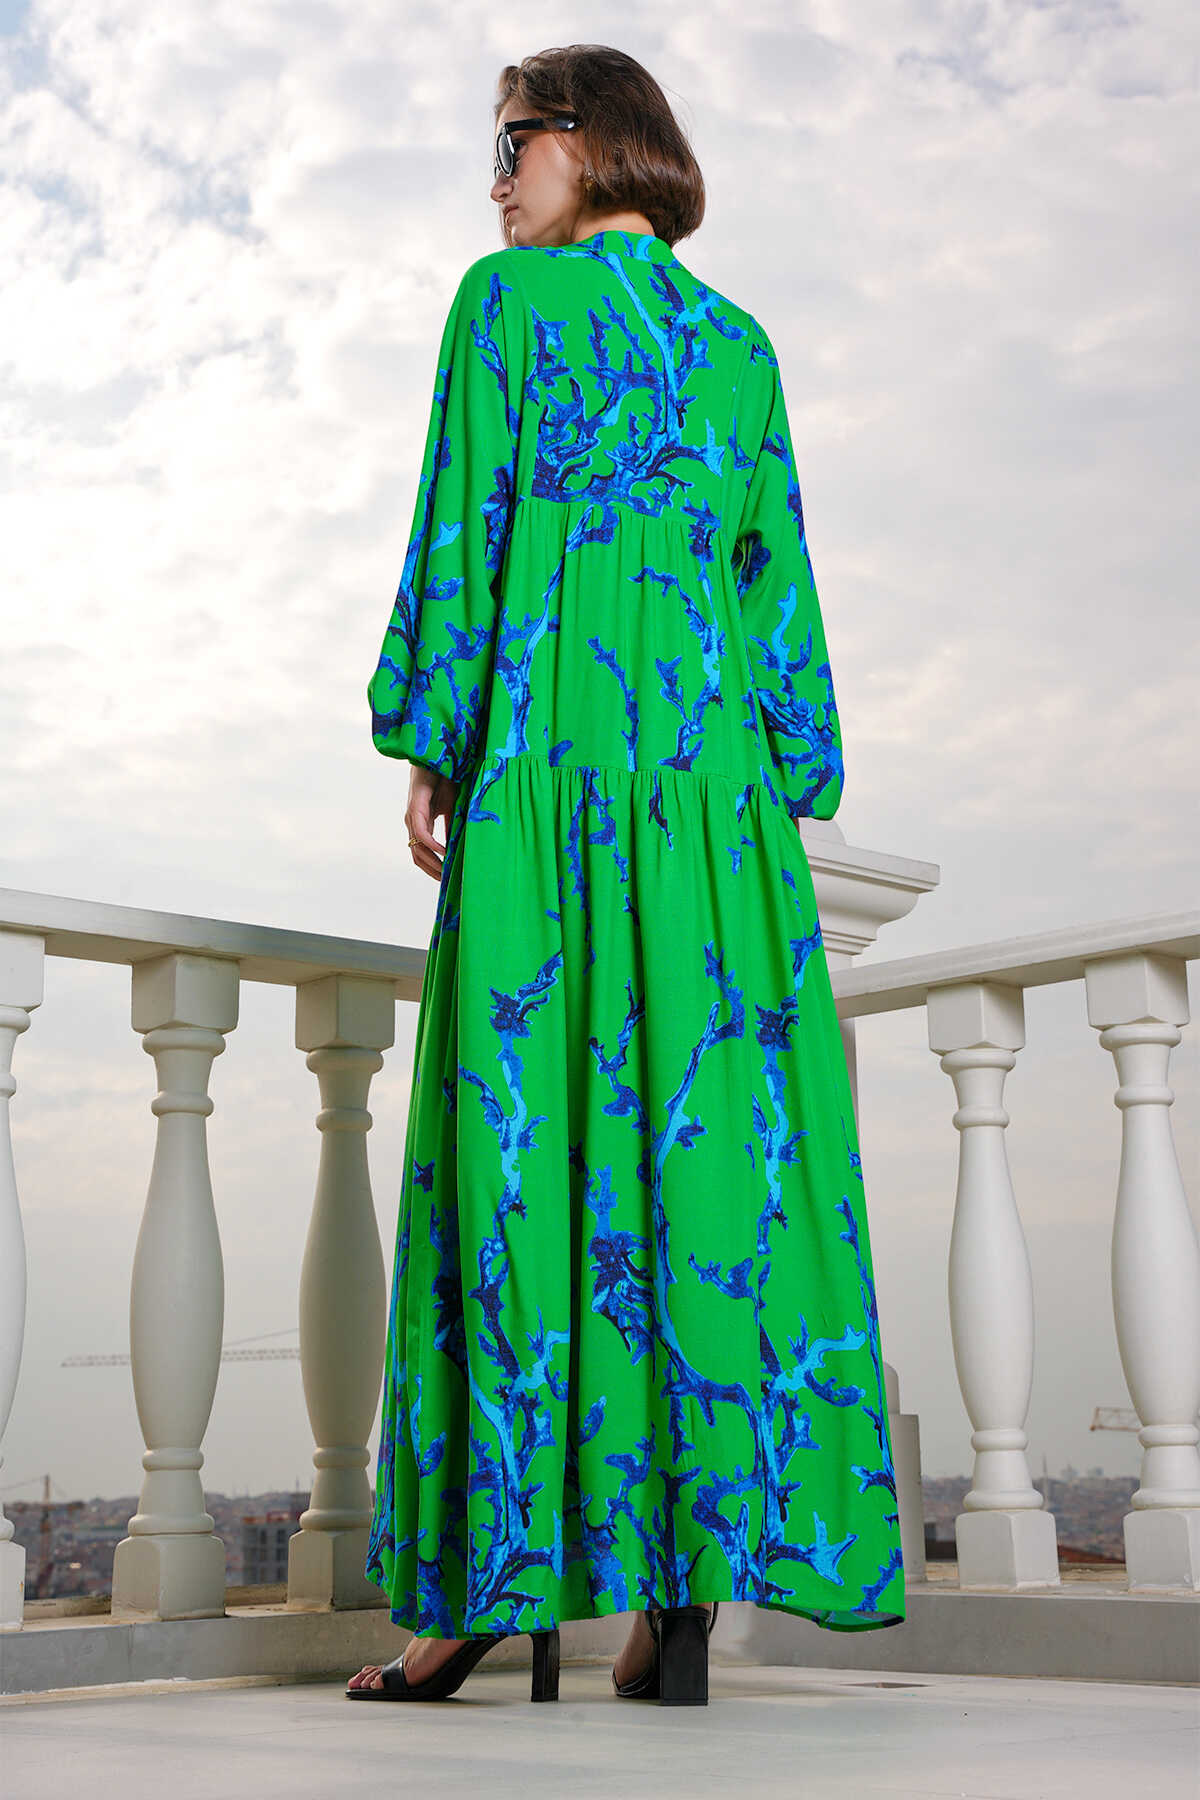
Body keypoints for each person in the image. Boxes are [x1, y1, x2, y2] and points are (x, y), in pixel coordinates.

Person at [346, 44, 904, 1708]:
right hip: (719, 823)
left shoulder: (505, 309)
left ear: (589, 141)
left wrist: (434, 738)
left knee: (522, 1160)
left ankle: (483, 1590)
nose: (495, 180)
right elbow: (776, 598)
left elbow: (466, 529)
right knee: (703, 1177)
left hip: (554, 777)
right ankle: (678, 1600)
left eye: (511, 142)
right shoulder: (740, 348)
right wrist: (781, 789)